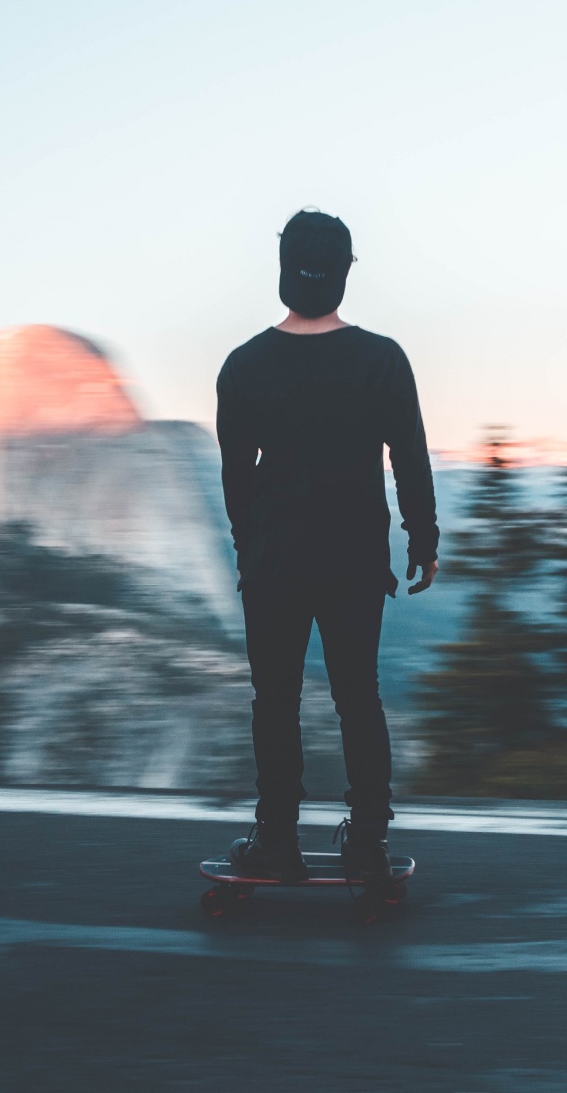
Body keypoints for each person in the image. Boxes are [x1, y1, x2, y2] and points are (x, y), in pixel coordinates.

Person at [215, 209, 439, 884]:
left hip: (276, 559)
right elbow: (410, 456)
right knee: (358, 697)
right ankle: (367, 839)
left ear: (285, 268)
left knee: (274, 699)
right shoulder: (382, 359)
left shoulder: (244, 366)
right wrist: (421, 538)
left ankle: (275, 837)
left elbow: (236, 474)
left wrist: (246, 548)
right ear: (344, 273)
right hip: (354, 559)